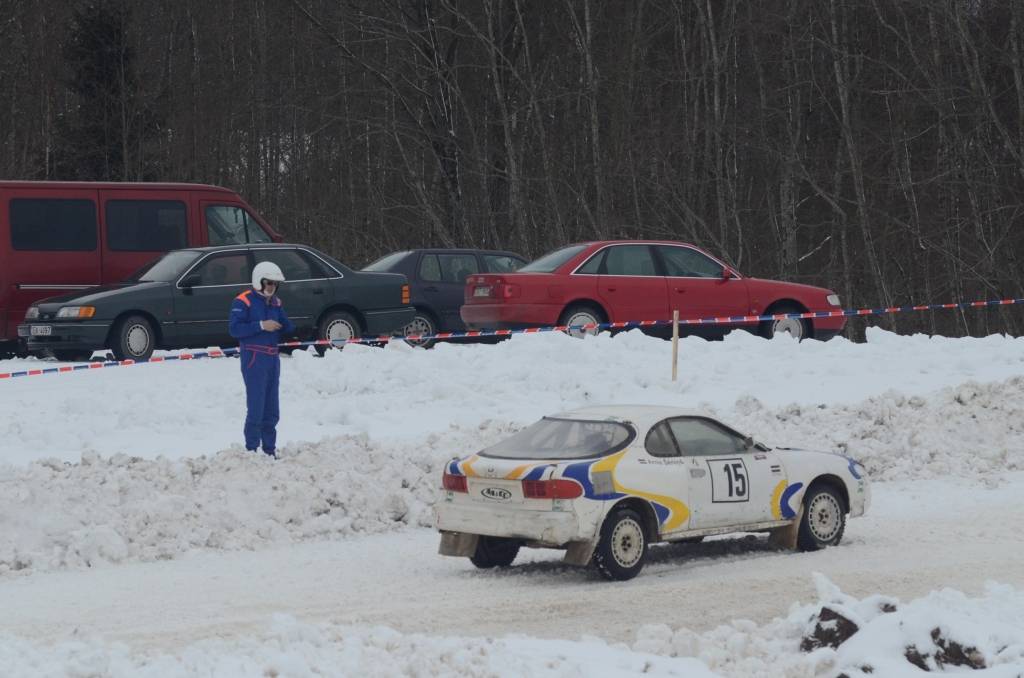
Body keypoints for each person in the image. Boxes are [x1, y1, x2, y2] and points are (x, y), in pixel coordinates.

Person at [229, 261, 295, 457]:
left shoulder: (276, 302)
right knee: (256, 407)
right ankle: (252, 450)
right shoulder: (243, 301)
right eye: (269, 283)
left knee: (272, 409)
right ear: (259, 281)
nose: (272, 287)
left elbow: (286, 324)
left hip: (273, 357)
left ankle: (269, 449)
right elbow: (234, 329)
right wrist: (261, 325)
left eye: (275, 284)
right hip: (254, 356)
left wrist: (295, 330)